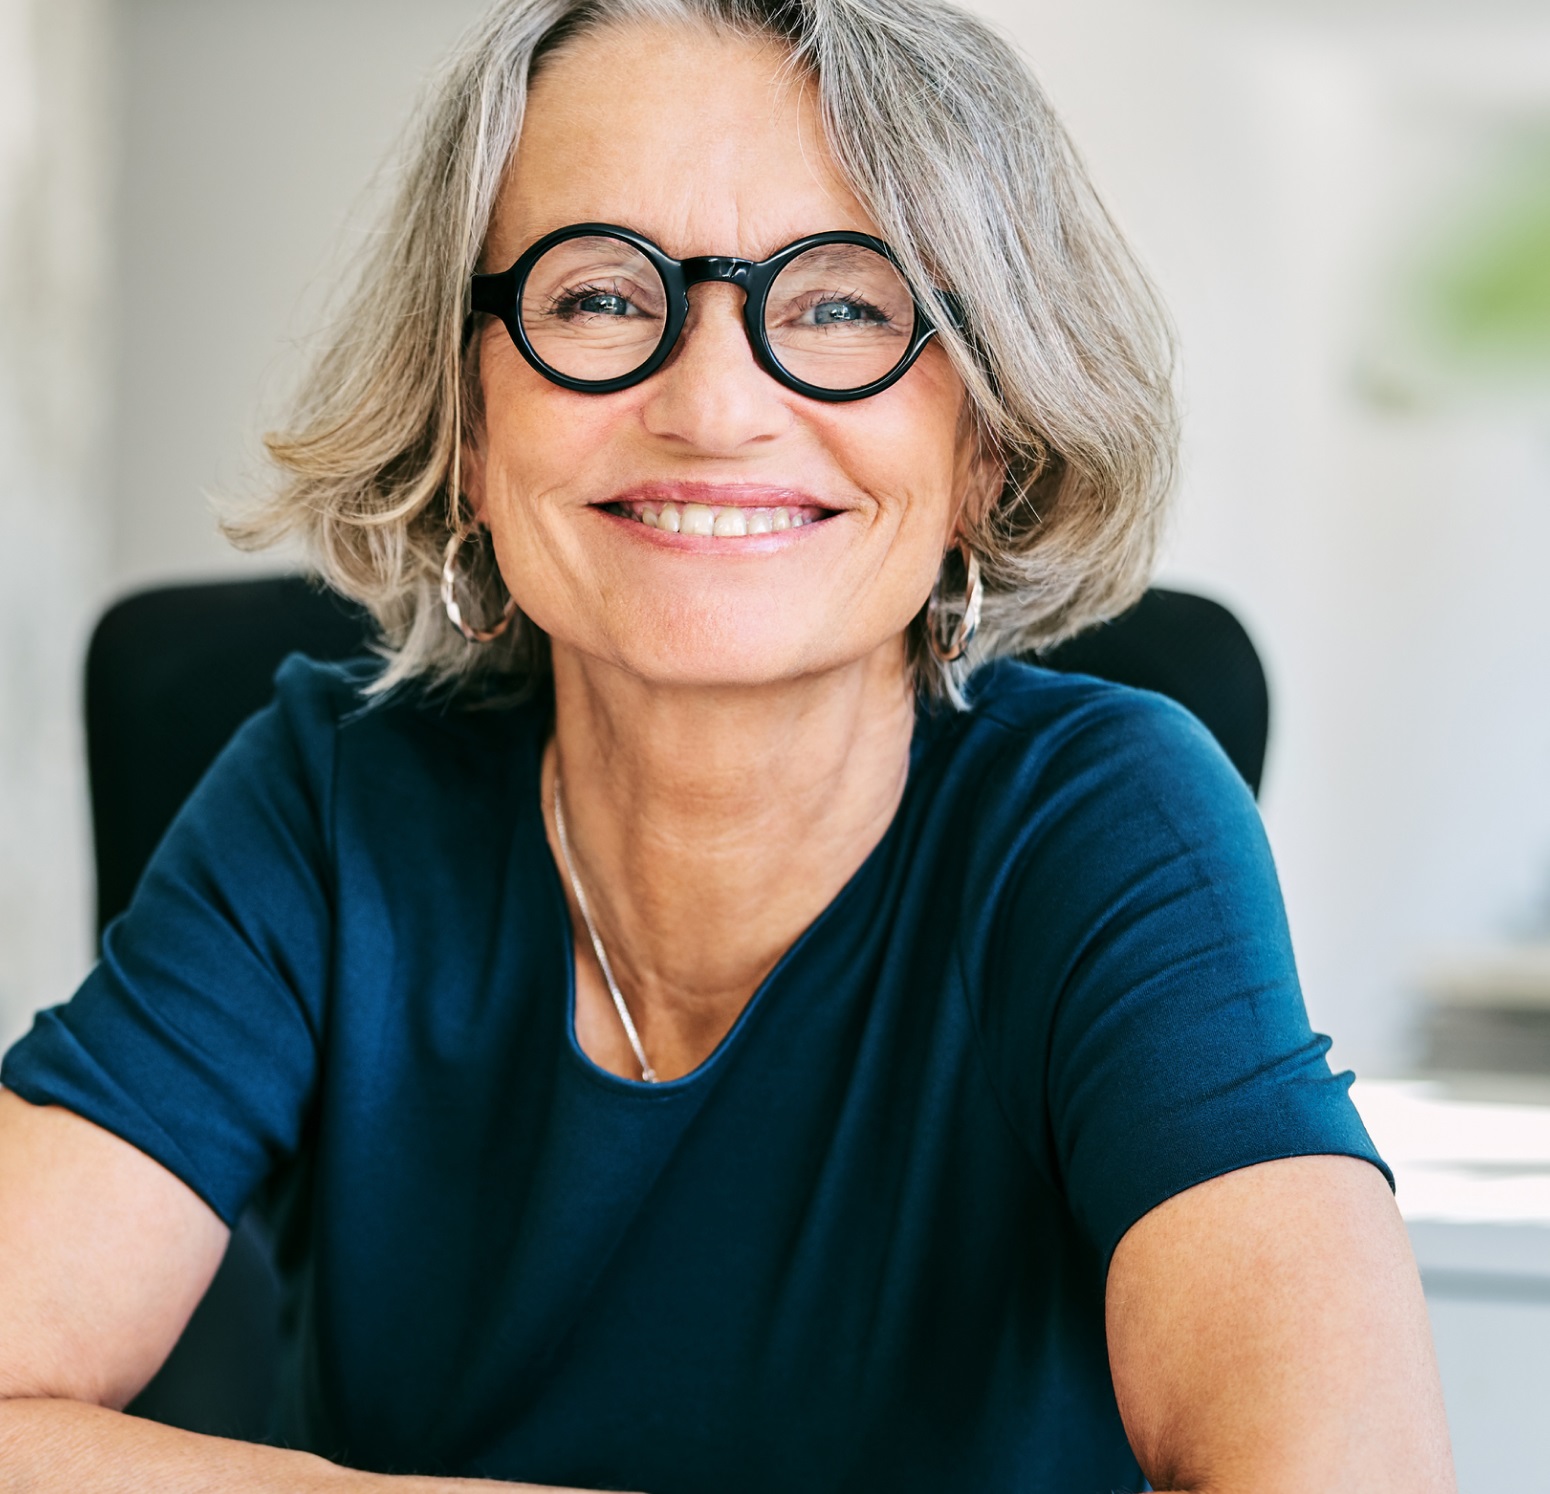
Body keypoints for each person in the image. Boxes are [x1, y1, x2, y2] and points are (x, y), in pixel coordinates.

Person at [0, 0, 1454, 1489]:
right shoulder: (330, 795)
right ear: (470, 420)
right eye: (597, 298)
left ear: (985, 439)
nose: (708, 405)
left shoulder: (1101, 818)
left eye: (840, 305)